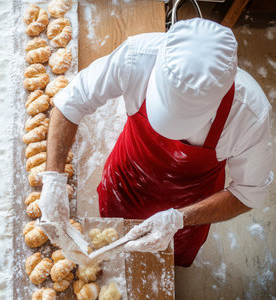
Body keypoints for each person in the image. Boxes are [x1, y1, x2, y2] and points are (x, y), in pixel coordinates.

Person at [38, 18, 273, 267]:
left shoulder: (249, 115)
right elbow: (71, 102)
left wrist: (178, 219)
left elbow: (249, 193)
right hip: (125, 181)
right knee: (110, 237)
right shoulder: (137, 57)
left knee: (164, 263)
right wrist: (53, 178)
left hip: (191, 205)